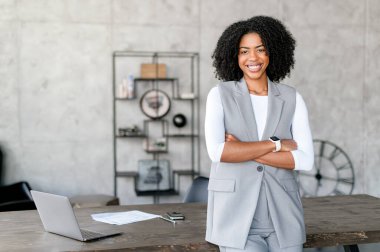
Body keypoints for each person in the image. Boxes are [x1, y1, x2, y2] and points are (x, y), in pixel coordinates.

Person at [204, 16, 314, 252]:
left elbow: (304, 160)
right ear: (235, 56)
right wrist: (276, 145)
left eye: (260, 50)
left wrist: (242, 149)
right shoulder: (219, 95)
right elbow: (218, 152)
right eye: (244, 51)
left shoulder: (292, 97)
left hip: (284, 216)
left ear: (272, 53)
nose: (252, 58)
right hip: (235, 217)